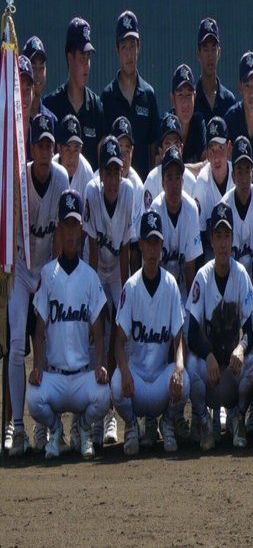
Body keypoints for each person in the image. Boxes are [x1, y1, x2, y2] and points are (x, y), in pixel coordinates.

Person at [26, 189, 111, 460]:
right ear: (60, 228)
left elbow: (98, 329)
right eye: (67, 225)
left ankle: (83, 429)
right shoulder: (48, 274)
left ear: (81, 228)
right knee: (34, 398)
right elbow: (38, 331)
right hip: (55, 376)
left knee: (103, 394)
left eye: (75, 224)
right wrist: (38, 365)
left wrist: (99, 363)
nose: (72, 232)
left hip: (82, 376)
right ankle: (55, 430)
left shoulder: (89, 276)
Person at [6, 115, 70, 457]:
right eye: (40, 145)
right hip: (20, 268)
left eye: (49, 145)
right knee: (17, 346)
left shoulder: (60, 179)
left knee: (51, 342)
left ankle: (50, 426)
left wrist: (54, 280)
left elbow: (61, 232)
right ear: (31, 148)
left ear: (54, 148)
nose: (45, 151)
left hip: (45, 269)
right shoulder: (19, 181)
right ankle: (18, 428)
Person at [111, 209, 188, 455]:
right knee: (114, 384)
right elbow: (118, 341)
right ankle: (132, 425)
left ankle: (166, 422)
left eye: (157, 243)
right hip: (135, 383)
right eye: (149, 242)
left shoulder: (171, 285)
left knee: (185, 380)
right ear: (141, 245)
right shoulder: (131, 287)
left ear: (162, 246)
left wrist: (177, 367)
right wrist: (123, 370)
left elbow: (178, 338)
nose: (153, 249)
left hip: (159, 382)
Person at [186, 201, 253, 450]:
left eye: (227, 235)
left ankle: (237, 417)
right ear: (211, 240)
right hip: (210, 375)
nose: (223, 242)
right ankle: (204, 420)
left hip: (231, 373)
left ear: (232, 239)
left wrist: (241, 347)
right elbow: (191, 333)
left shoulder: (241, 276)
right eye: (218, 235)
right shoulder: (202, 278)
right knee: (191, 366)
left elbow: (251, 328)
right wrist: (207, 355)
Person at [84, 135, 137, 446]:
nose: (114, 177)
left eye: (118, 171)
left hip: (117, 269)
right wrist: (95, 300)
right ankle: (99, 415)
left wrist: (123, 302)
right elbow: (91, 248)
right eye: (109, 172)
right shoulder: (92, 192)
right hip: (97, 270)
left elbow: (127, 251)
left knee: (121, 332)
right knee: (97, 335)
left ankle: (120, 411)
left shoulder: (128, 191)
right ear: (101, 174)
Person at [100, 10, 160, 179]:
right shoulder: (107, 96)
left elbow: (153, 147)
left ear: (139, 47)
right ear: (117, 50)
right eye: (124, 47)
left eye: (132, 46)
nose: (129, 54)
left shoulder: (148, 95)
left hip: (141, 188)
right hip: (114, 188)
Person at [44, 17, 104, 167]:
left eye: (88, 57)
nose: (87, 65)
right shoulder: (51, 106)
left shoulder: (97, 107)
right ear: (70, 58)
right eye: (82, 57)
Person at [151, 147, 202, 299]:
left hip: (182, 290)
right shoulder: (155, 211)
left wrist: (191, 306)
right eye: (169, 177)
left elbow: (190, 264)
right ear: (162, 182)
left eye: (177, 177)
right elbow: (153, 264)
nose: (174, 184)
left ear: (183, 181)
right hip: (159, 289)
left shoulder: (191, 208)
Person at [222, 137, 253, 281]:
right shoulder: (224, 206)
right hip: (230, 277)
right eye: (239, 171)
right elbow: (223, 259)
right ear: (232, 176)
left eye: (247, 170)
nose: (244, 178)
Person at [193, 116, 234, 256]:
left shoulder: (238, 176)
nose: (216, 157)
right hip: (212, 252)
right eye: (212, 150)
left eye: (221, 148)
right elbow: (199, 237)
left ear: (229, 148)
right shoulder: (201, 183)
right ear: (206, 153)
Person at [143, 112, 197, 208]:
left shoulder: (191, 181)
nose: (172, 149)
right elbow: (147, 218)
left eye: (176, 144)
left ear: (182, 149)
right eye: (168, 144)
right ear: (160, 151)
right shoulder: (152, 180)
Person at [194, 18, 237, 121]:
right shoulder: (192, 99)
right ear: (198, 54)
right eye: (206, 50)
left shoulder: (228, 100)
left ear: (219, 53)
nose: (210, 56)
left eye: (213, 49)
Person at [167, 64, 206, 166]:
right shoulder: (167, 124)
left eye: (189, 95)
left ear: (195, 96)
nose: (185, 103)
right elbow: (161, 167)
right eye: (180, 95)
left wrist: (181, 168)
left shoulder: (198, 122)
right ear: (172, 99)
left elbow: (206, 164)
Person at [54, 113, 93, 200]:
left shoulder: (87, 173)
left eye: (76, 150)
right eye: (68, 149)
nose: (72, 158)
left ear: (81, 149)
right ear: (59, 149)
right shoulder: (51, 168)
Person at [23, 35, 55, 123]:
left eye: (41, 68)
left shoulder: (51, 120)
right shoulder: (15, 119)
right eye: (33, 68)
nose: (37, 75)